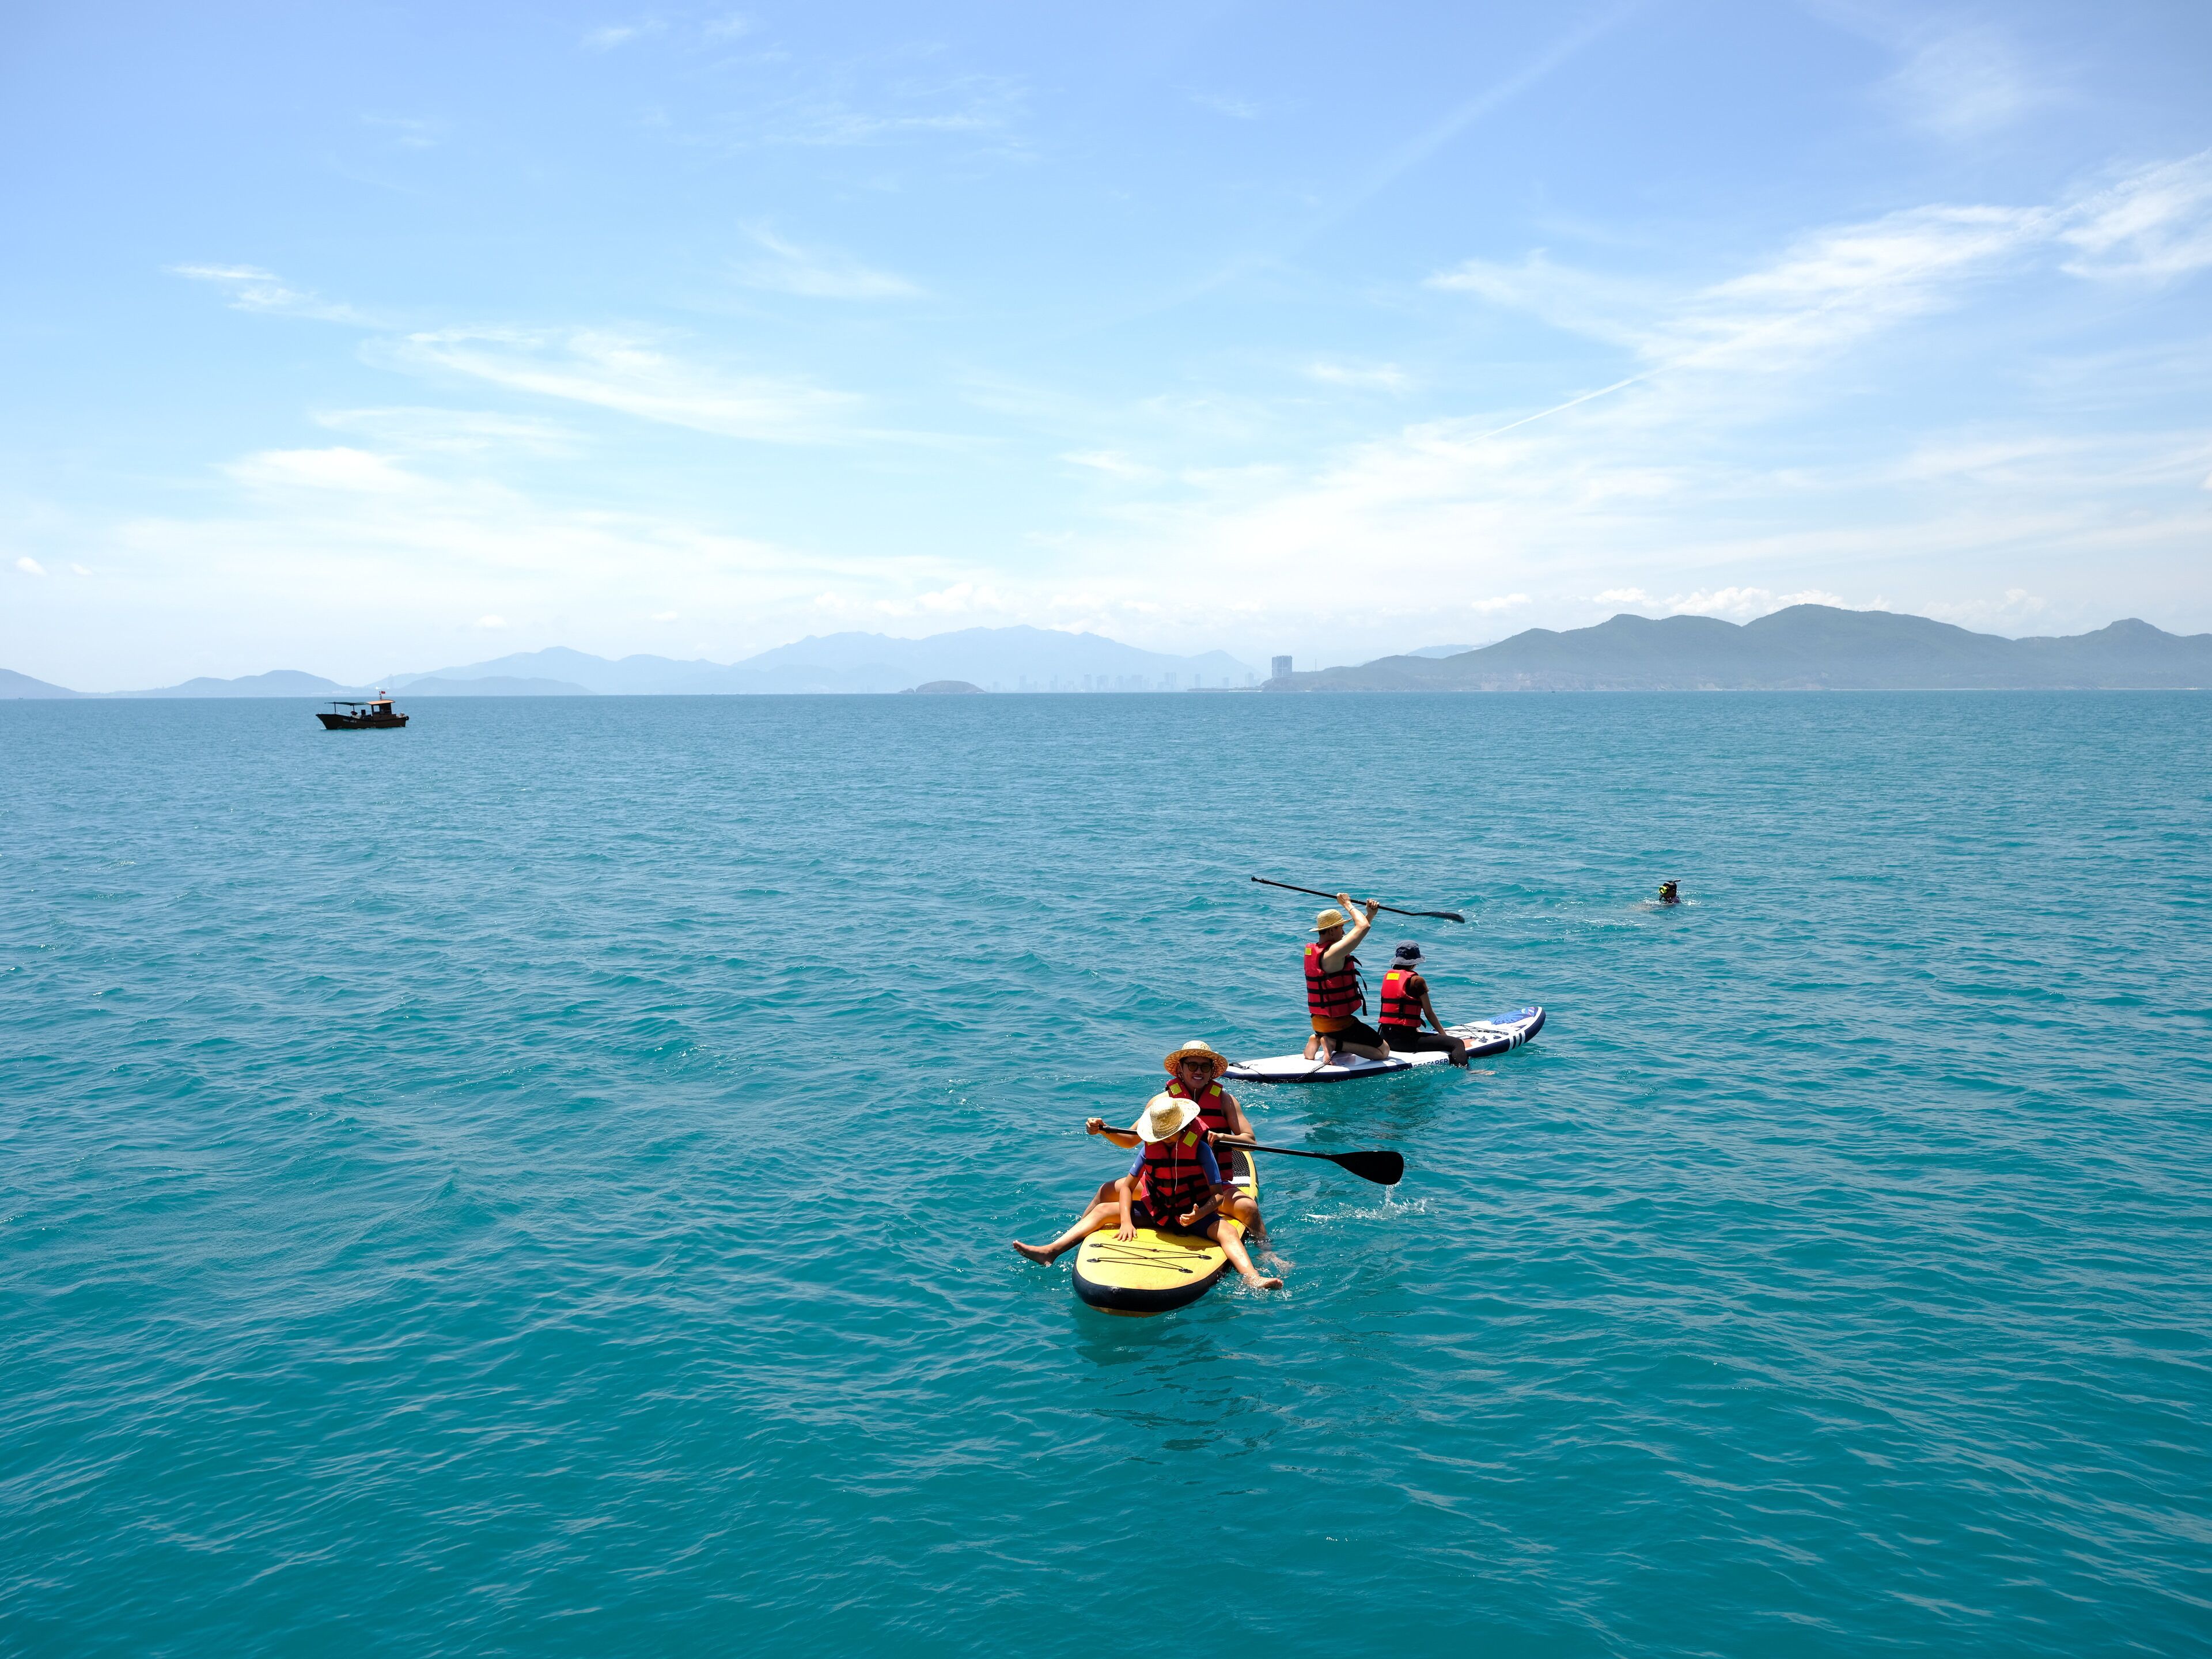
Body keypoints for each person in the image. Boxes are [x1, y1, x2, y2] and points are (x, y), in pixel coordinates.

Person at [1011, 1094, 1282, 1291]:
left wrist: (1201, 1213)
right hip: (1157, 1211)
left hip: (1192, 1215)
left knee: (1228, 1232)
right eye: (1158, 1133)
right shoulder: (1149, 1149)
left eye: (1168, 1133)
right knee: (1104, 1209)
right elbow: (1128, 1187)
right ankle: (1050, 1251)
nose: (1162, 1138)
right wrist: (1126, 1221)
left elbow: (1218, 1195)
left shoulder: (1200, 1149)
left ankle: (1252, 1277)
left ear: (1182, 1128)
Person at [1078, 1041, 1264, 1241]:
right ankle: (1078, 1235)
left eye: (1205, 1066)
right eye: (1192, 1065)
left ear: (1212, 1071)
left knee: (1249, 1208)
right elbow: (1131, 1140)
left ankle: (1266, 1251)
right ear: (1181, 1069)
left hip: (1209, 1188)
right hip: (1161, 1188)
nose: (1198, 1071)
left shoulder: (1225, 1101)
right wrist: (1103, 1130)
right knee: (1106, 1191)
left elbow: (1250, 1142)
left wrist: (1222, 1137)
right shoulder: (1162, 1104)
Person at [1302, 894, 1391, 1063]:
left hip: (1319, 1023)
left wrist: (1370, 915)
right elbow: (1362, 927)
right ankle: (1333, 1043)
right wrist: (1347, 904)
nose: (1344, 932)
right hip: (1339, 1025)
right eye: (1341, 928)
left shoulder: (1320, 952)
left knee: (1351, 1041)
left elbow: (1358, 932)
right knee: (1383, 1051)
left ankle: (1318, 1038)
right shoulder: (1333, 954)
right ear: (1331, 931)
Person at [1376, 943, 1469, 1066]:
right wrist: (1444, 1036)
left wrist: (1416, 1029)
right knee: (1457, 1043)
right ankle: (1469, 1071)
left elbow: (1396, 1010)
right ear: (1415, 962)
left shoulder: (1388, 977)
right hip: (1404, 1042)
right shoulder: (1417, 981)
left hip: (1384, 1037)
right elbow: (1429, 1014)